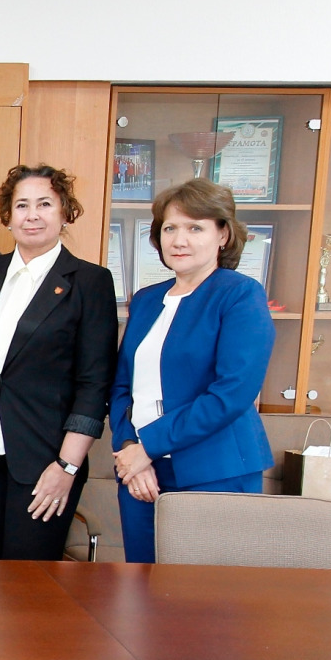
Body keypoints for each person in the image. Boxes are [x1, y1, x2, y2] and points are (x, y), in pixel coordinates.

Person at [0, 164, 118, 561]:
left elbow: (94, 386)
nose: (32, 214)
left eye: (45, 203)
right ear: (7, 216)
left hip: (42, 463)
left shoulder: (90, 282)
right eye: (22, 205)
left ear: (65, 213)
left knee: (25, 588)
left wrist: (66, 467)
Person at [110, 178, 275, 562]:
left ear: (223, 235)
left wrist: (148, 445)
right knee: (143, 594)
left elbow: (231, 394)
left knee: (209, 604)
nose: (179, 240)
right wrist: (130, 448)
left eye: (195, 228)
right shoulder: (148, 300)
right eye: (170, 228)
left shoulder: (240, 295)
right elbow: (120, 386)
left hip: (216, 472)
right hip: (141, 474)